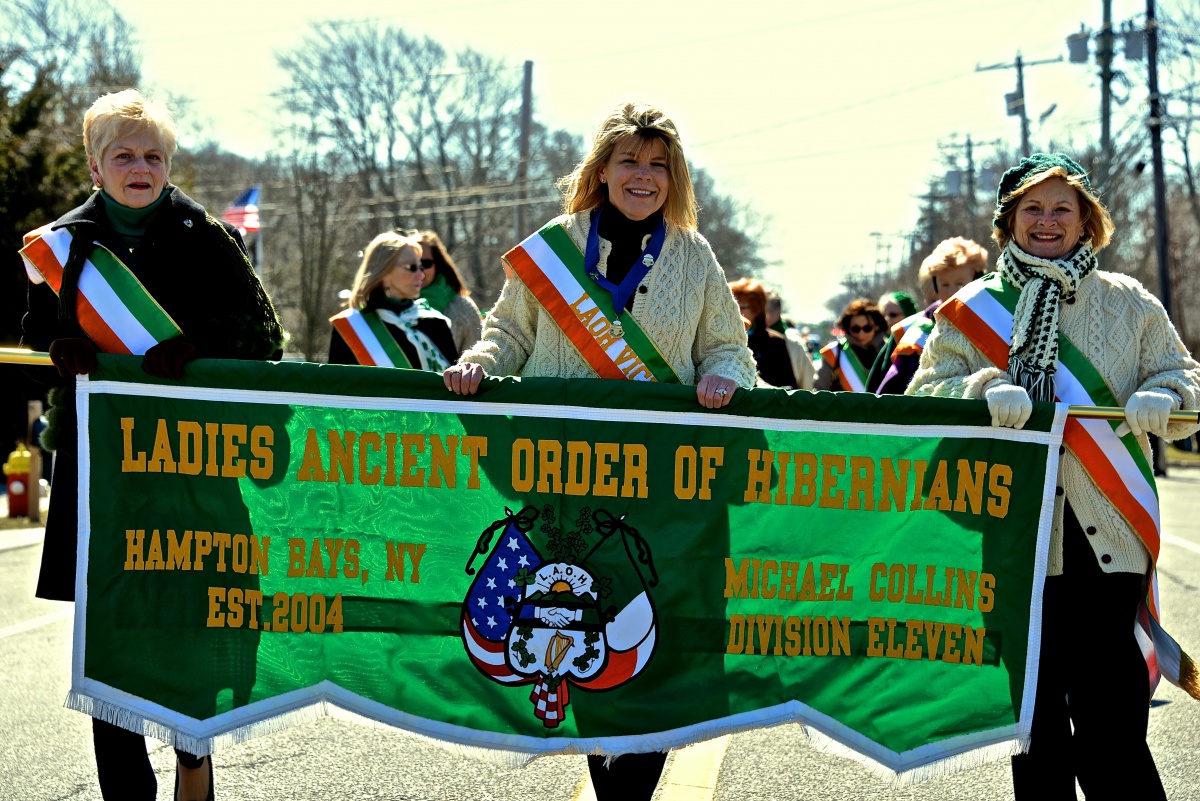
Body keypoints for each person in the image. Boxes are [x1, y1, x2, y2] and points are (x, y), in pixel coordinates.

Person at [444, 101, 755, 798]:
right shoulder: (555, 245)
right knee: (578, 636)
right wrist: (477, 363)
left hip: (660, 488)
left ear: (673, 178)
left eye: (657, 165)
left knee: (649, 643)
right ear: (602, 170)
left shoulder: (693, 254)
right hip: (562, 485)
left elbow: (731, 349)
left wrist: (723, 375)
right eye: (629, 162)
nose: (642, 176)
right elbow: (507, 336)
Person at [907, 153, 1200, 800]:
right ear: (1007, 222)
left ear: (1087, 219)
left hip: (1111, 542)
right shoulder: (969, 309)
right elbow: (927, 393)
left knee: (1113, 734)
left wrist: (1167, 396)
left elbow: (1185, 374)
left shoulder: (1130, 302)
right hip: (1011, 545)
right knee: (1034, 737)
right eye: (1031, 209)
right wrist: (982, 386)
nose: (1047, 220)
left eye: (1061, 208)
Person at [19, 89, 285, 801]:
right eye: (124, 155)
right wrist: (59, 347)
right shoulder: (63, 245)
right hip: (102, 476)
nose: (141, 167)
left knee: (189, 635)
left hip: (191, 472)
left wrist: (198, 349)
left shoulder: (205, 236)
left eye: (154, 156)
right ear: (95, 164)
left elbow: (263, 339)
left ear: (169, 164)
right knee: (113, 641)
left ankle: (192, 761)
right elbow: (34, 337)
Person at [869, 238, 988, 395]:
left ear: (976, 280)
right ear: (934, 283)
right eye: (944, 284)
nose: (952, 292)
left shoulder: (991, 321)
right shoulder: (910, 331)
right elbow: (886, 389)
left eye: (960, 284)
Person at [328, 231, 459, 370]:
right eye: (412, 268)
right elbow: (337, 387)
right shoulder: (352, 326)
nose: (421, 275)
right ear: (383, 272)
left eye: (421, 267)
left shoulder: (436, 323)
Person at [414, 230, 484, 354]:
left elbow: (477, 362)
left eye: (425, 263)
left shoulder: (464, 309)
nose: (419, 271)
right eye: (412, 264)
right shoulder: (388, 308)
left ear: (438, 265)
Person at [729, 278, 800, 388]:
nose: (736, 311)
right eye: (732, 306)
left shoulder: (775, 341)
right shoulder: (721, 338)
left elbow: (787, 386)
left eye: (742, 307)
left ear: (757, 309)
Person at [814, 299, 886, 392]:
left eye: (867, 328)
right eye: (855, 329)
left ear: (877, 326)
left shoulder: (890, 350)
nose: (861, 334)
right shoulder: (834, 352)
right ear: (847, 327)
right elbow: (819, 391)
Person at [765, 292, 817, 389]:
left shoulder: (793, 343)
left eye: (764, 311)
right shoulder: (744, 339)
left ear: (778, 311)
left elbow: (808, 385)